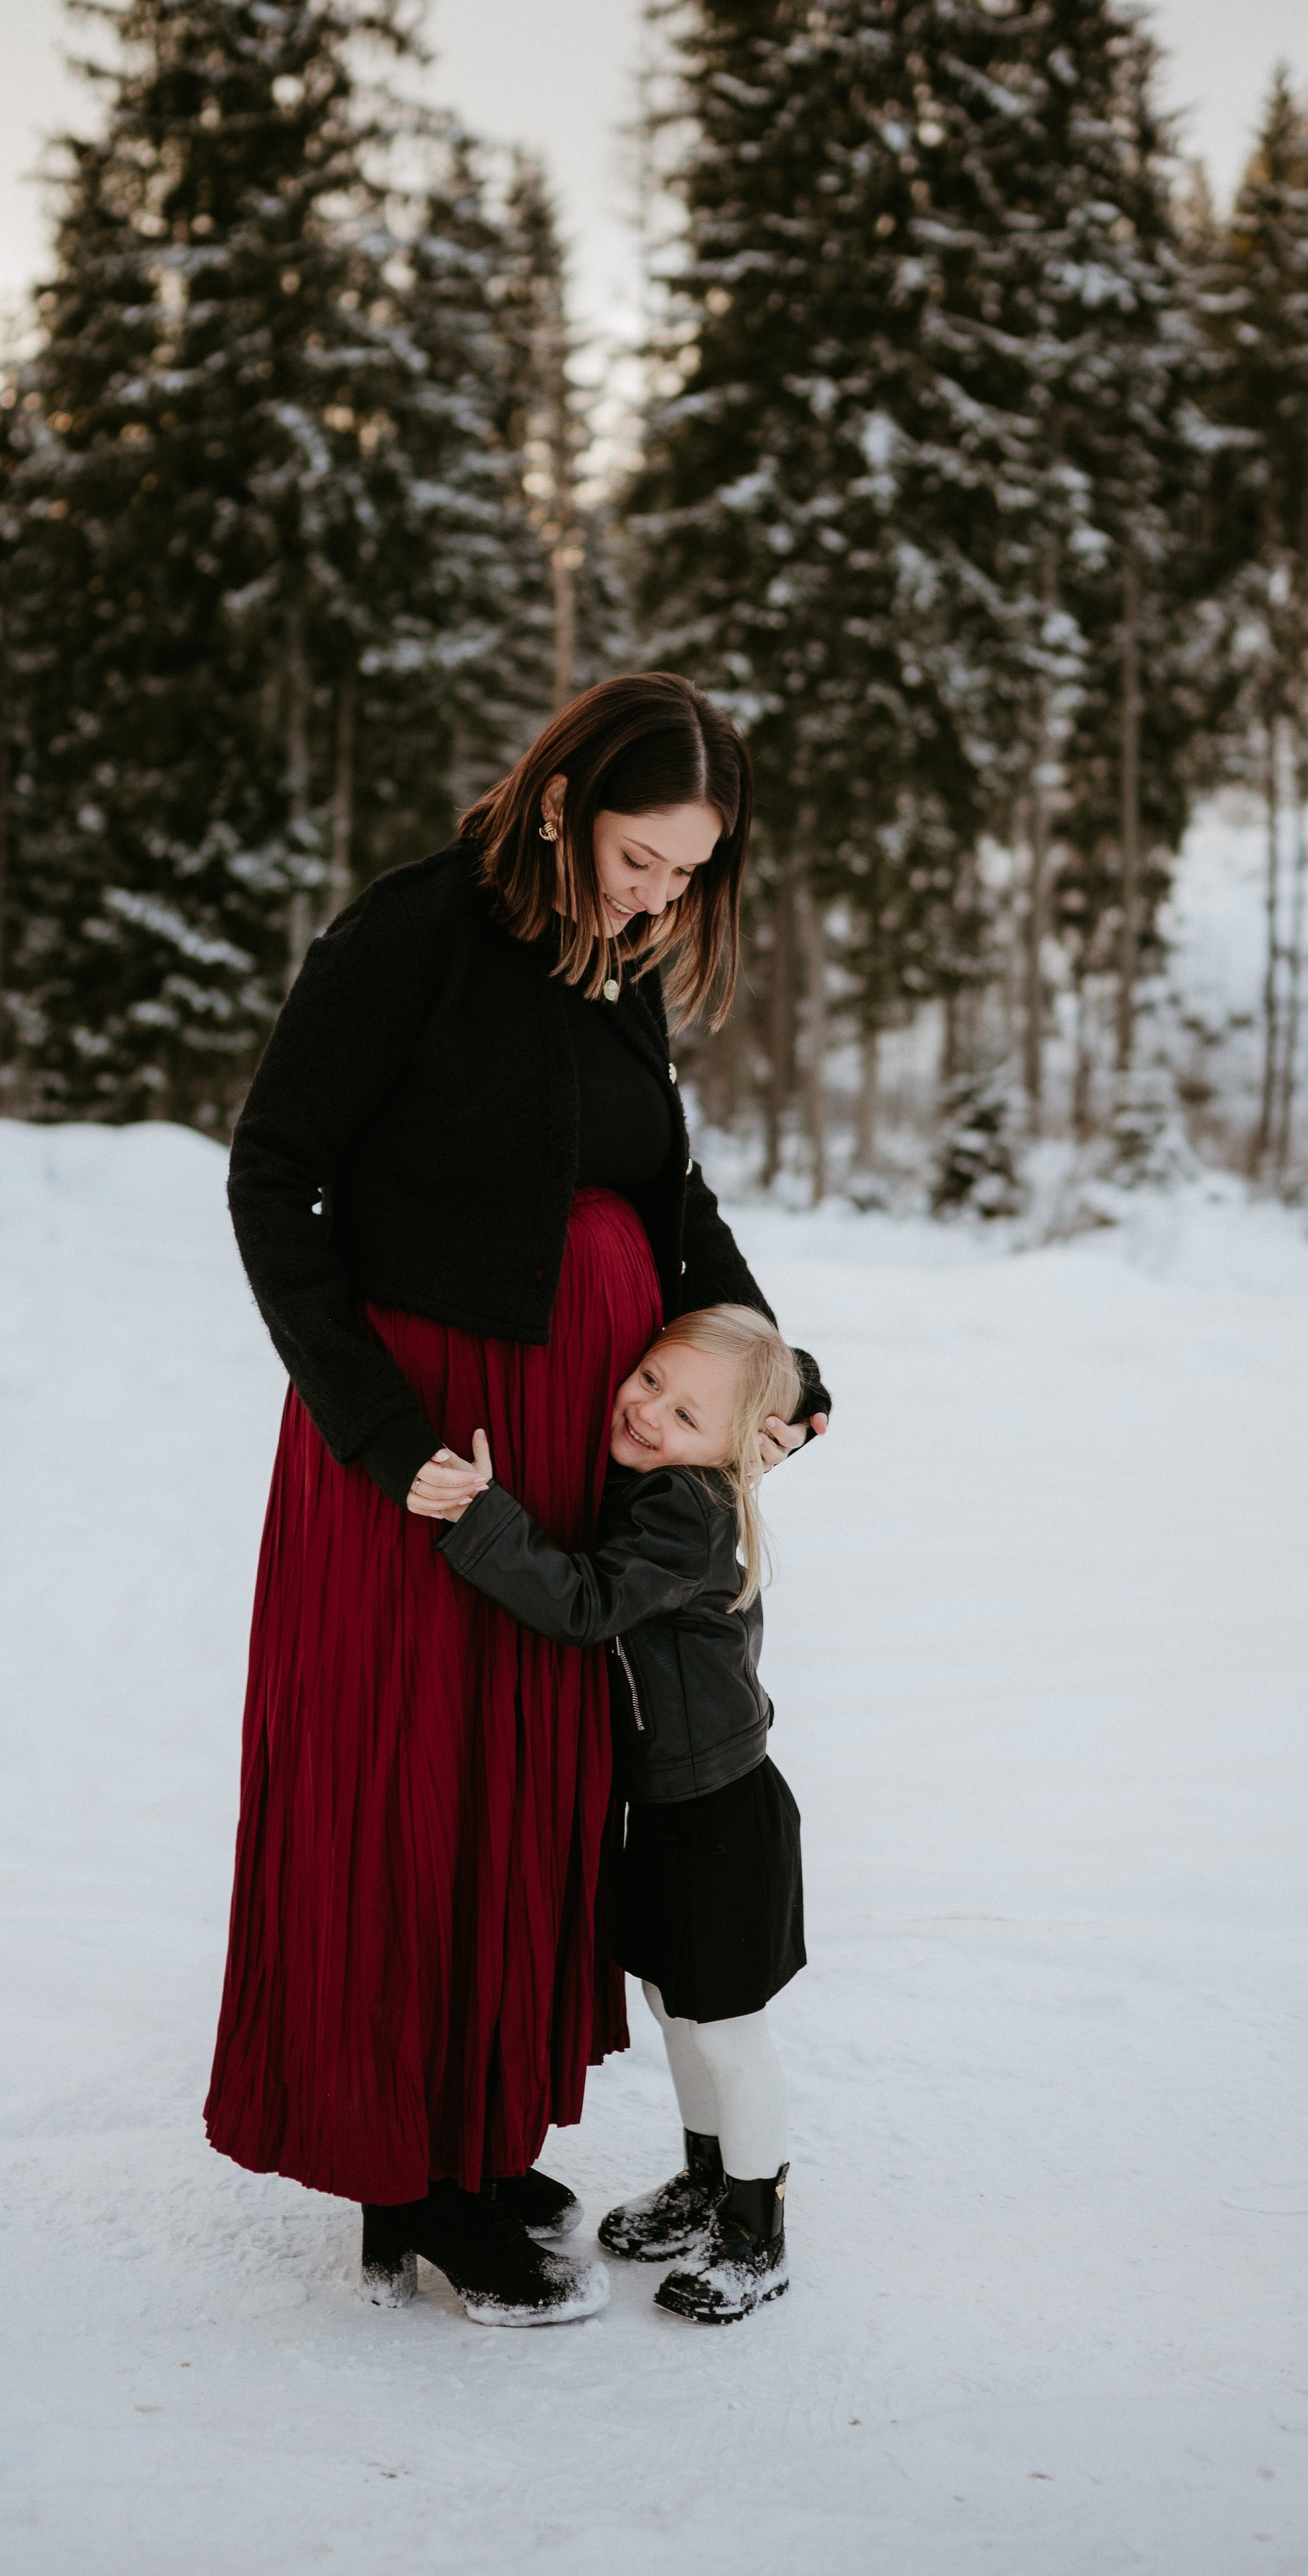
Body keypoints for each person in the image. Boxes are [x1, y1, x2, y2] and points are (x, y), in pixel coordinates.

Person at [204, 673, 828, 2329]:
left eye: (688, 874)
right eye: (641, 856)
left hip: (561, 1448)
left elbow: (663, 1197)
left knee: (522, 1791)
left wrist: (772, 1361)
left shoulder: (605, 964)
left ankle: (476, 2138)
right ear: (563, 802)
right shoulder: (406, 933)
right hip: (421, 1455)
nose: (657, 896)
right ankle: (408, 2186)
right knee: (408, 1781)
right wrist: (373, 1422)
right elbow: (273, 1175)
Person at [416, 1303, 808, 2327]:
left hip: (724, 1815)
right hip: (672, 1809)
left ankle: (756, 2231)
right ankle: (706, 2178)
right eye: (647, 1381)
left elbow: (585, 1603)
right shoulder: (654, 1480)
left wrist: (483, 1518)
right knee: (676, 2011)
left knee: (726, 2032)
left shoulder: (690, 1509)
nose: (648, 1414)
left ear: (737, 1450)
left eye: (685, 1413)